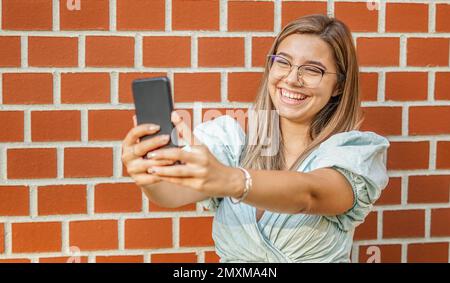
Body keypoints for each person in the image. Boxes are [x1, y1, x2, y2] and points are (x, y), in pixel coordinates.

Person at [121, 14, 390, 263]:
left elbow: (309, 194)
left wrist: (232, 180)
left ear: (339, 86)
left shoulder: (350, 153)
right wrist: (150, 177)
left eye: (312, 70)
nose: (292, 79)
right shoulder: (234, 140)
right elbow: (172, 194)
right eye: (283, 62)